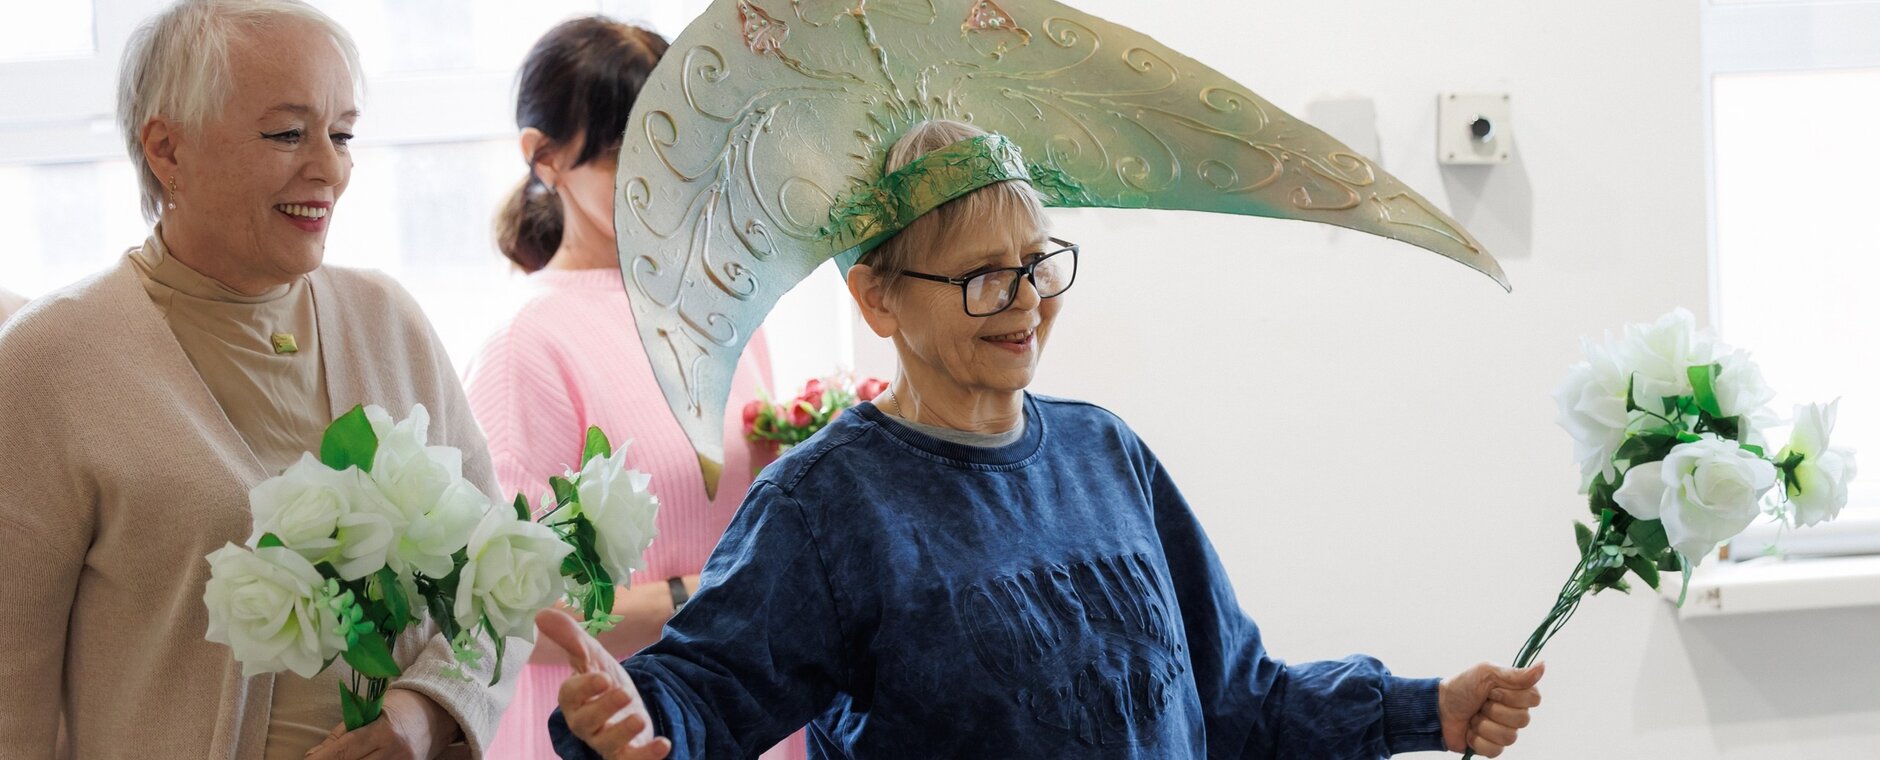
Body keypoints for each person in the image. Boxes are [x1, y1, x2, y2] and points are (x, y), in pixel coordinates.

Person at [537, 120, 1545, 759]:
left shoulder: (1106, 457)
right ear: (877, 298)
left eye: (1036, 263)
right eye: (981, 275)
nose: (1023, 301)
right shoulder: (829, 503)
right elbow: (706, 689)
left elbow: (1236, 698)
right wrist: (629, 717)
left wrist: (1425, 710)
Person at [0, 2, 519, 758]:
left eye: (342, 134)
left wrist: (426, 711)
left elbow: (499, 583)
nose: (331, 169)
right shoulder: (49, 361)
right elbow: (9, 695)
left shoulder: (387, 321)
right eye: (287, 134)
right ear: (167, 150)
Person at [461, 16, 799, 760]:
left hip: (739, 717)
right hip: (606, 729)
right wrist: (702, 596)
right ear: (544, 156)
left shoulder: (727, 314)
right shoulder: (527, 345)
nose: (662, 175)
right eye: (624, 150)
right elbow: (509, 614)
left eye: (680, 142)